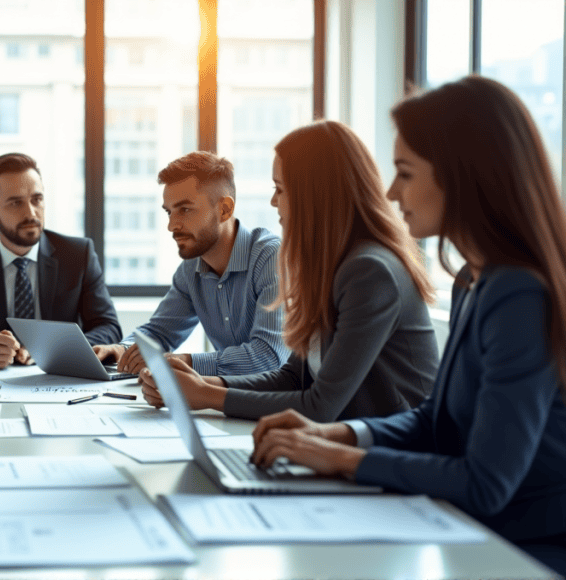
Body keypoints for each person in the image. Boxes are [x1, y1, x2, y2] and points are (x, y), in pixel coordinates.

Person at [251, 76, 566, 575]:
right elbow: (433, 419)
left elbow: (485, 484)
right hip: (465, 532)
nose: (393, 191)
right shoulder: (473, 280)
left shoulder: (519, 294)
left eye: (404, 172)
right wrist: (338, 436)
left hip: (522, 551)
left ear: (463, 177)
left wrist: (341, 460)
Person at [139, 121, 439, 422]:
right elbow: (293, 378)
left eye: (280, 189)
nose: (273, 202)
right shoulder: (332, 268)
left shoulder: (370, 271)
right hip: (340, 442)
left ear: (315, 196)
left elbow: (320, 406)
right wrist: (200, 385)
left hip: (385, 452)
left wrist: (206, 395)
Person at [93, 151, 288, 377]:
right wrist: (122, 349)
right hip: (234, 400)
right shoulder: (191, 268)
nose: (172, 225)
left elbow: (268, 357)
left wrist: (181, 362)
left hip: (289, 404)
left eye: (185, 210)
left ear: (225, 209)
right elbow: (160, 332)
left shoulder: (271, 258)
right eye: (169, 212)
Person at [0, 152, 122, 369]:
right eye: (15, 203)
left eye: (37, 199)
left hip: (60, 381)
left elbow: (109, 327)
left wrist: (57, 346)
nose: (31, 212)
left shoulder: (78, 255)